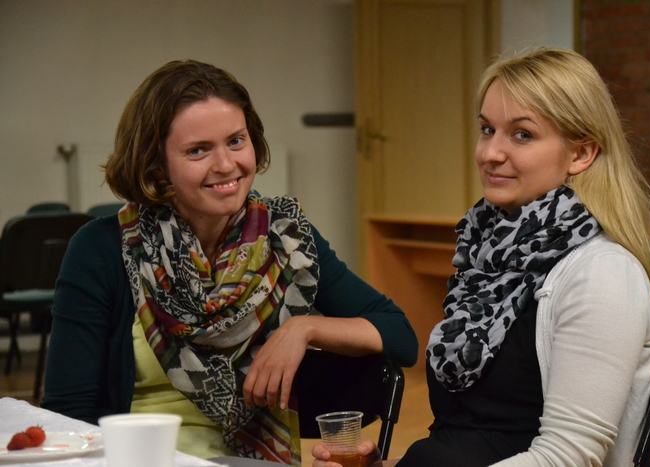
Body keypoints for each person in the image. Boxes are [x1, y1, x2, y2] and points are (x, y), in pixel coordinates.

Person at [312, 47, 650, 467]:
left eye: (522, 134)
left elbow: (568, 457)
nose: (490, 153)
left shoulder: (603, 274)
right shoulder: (487, 259)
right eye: (487, 130)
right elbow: (465, 436)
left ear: (581, 154)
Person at [41, 59, 419, 465]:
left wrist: (302, 328)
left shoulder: (285, 239)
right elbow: (68, 415)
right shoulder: (102, 249)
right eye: (198, 150)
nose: (226, 165)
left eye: (236, 141)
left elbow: (399, 335)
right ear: (157, 165)